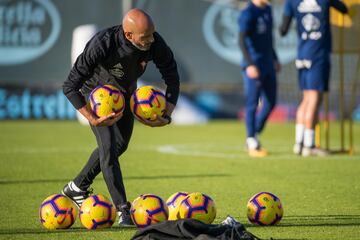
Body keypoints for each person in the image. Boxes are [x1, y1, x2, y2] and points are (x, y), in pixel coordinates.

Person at [61, 8, 180, 226]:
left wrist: (167, 113)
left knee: (120, 145)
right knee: (108, 149)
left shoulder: (154, 41)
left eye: (153, 34)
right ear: (128, 35)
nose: (151, 40)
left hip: (125, 95)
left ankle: (77, 187)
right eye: (145, 37)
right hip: (97, 96)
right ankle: (123, 210)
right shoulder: (103, 43)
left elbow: (172, 74)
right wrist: (92, 116)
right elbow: (69, 86)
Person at [279, 0, 348, 156]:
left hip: (302, 55)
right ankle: (309, 145)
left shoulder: (292, 1)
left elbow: (282, 30)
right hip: (317, 55)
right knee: (314, 99)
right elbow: (343, 9)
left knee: (306, 99)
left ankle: (299, 143)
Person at [238, 0, 280, 157]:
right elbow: (241, 40)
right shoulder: (248, 13)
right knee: (252, 103)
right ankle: (251, 140)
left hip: (268, 63)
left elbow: (269, 38)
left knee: (271, 102)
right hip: (253, 65)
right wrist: (249, 64)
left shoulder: (268, 9)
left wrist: (275, 58)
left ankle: (253, 133)